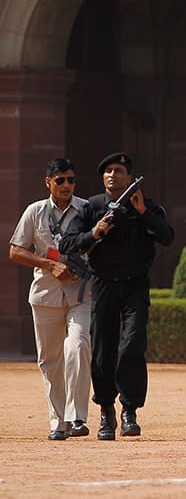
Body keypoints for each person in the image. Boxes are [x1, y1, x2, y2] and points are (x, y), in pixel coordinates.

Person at [59, 152, 174, 440]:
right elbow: (68, 244)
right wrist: (94, 233)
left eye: (119, 170)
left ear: (128, 176)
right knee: (102, 351)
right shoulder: (92, 207)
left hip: (135, 284)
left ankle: (129, 412)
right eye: (108, 171)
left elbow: (167, 236)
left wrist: (143, 212)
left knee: (133, 344)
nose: (113, 175)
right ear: (102, 177)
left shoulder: (143, 203)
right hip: (104, 284)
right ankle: (107, 413)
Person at [9, 158, 91, 440]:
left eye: (71, 179)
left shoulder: (87, 209)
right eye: (60, 180)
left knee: (78, 346)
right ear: (48, 183)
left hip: (82, 292)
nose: (67, 185)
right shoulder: (35, 212)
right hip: (45, 293)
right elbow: (15, 251)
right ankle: (59, 422)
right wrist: (50, 264)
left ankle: (76, 417)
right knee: (50, 360)